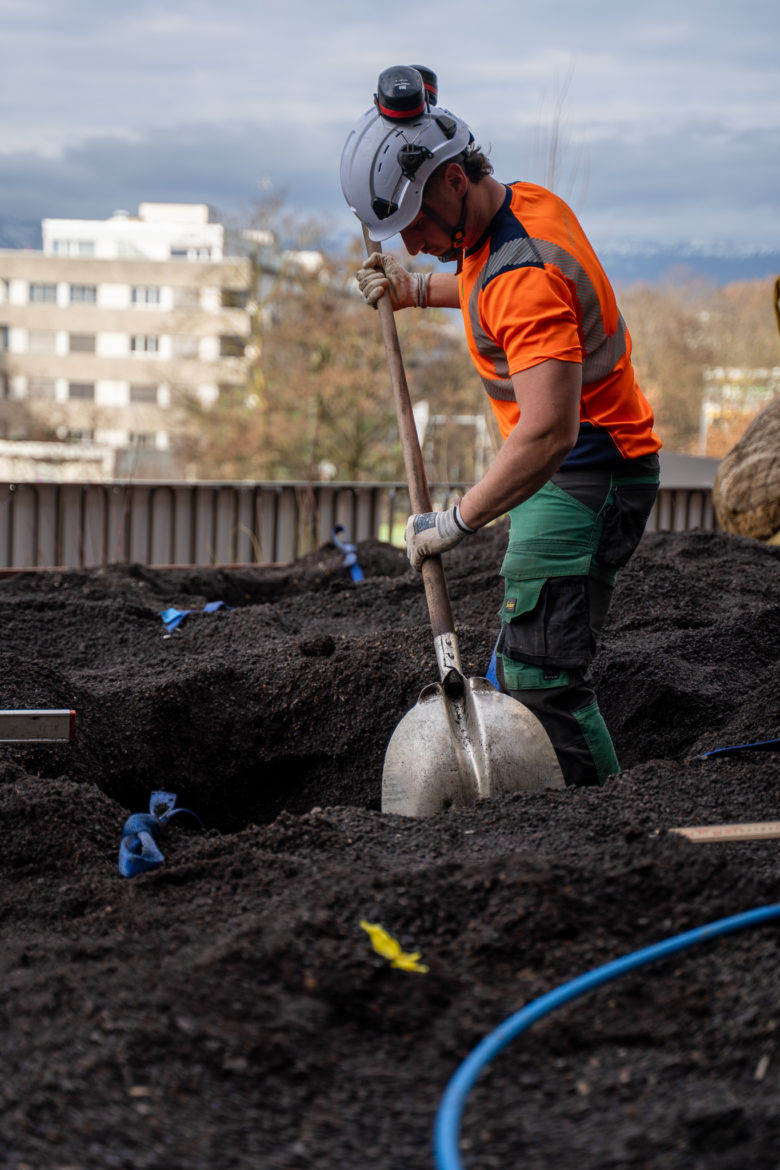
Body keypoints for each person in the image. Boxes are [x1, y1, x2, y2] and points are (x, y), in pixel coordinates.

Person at [340, 66, 662, 787]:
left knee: (543, 678)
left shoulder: (524, 274)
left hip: (584, 473)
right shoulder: (522, 209)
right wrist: (414, 289)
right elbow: (488, 279)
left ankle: (606, 830)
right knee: (522, 659)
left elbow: (548, 430)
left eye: (417, 226)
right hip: (580, 467)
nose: (415, 244)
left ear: (455, 181)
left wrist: (457, 520)